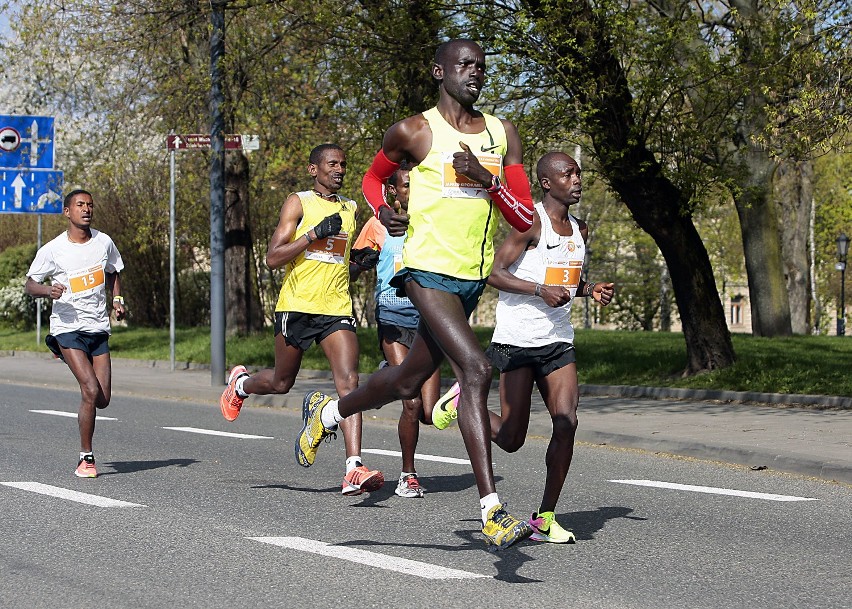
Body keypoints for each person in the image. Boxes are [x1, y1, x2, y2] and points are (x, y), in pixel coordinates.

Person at [297, 39, 537, 550]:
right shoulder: (415, 130)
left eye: (481, 66)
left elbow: (524, 217)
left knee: (407, 382)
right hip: (424, 271)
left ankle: (328, 414)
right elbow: (372, 178)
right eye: (464, 64)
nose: (475, 72)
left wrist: (487, 181)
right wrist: (383, 211)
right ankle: (491, 511)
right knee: (475, 369)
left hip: (470, 280)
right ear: (439, 70)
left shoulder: (502, 134)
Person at [219, 143, 382, 496]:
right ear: (314, 170)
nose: (339, 169)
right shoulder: (299, 202)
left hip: (336, 307)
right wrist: (313, 234)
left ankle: (353, 467)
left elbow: (337, 264)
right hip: (297, 305)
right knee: (281, 382)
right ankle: (241, 385)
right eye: (331, 164)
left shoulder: (351, 210)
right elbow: (273, 258)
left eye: (343, 164)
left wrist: (360, 264)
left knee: (349, 383)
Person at [486, 151, 614, 543]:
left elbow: (564, 279)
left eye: (578, 173)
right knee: (510, 439)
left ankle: (544, 516)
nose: (577, 179)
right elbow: (494, 273)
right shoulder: (529, 224)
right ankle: (464, 404)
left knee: (567, 421)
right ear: (547, 182)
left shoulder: (581, 230)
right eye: (568, 174)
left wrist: (589, 289)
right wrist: (539, 290)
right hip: (518, 339)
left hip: (558, 341)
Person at [351, 164, 442, 499]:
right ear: (391, 191)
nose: (411, 191)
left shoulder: (430, 222)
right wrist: (354, 267)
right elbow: (356, 266)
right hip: (392, 317)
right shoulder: (377, 225)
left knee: (432, 413)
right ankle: (408, 474)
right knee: (412, 403)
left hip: (428, 320)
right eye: (405, 185)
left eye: (416, 185)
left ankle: (389, 375)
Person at [24, 189, 127, 478]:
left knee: (102, 399)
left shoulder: (104, 242)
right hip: (67, 328)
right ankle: (86, 457)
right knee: (90, 390)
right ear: (67, 212)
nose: (86, 209)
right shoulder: (54, 249)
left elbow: (115, 271)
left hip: (97, 329)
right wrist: (47, 290)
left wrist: (117, 300)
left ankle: (69, 358)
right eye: (80, 205)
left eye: (90, 205)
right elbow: (30, 284)